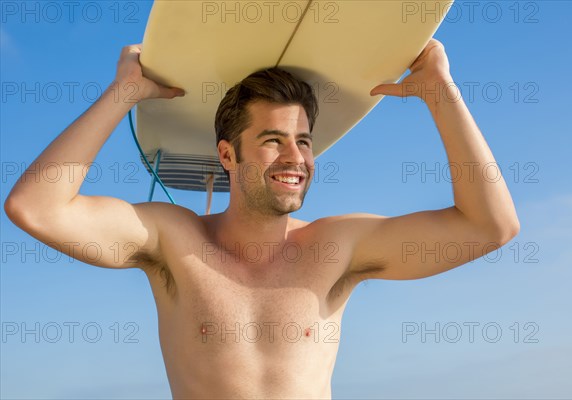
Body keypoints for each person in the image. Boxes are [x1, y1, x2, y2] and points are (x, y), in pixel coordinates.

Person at [4, 39, 519, 398]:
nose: (295, 158)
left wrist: (439, 93)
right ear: (228, 157)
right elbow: (35, 207)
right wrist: (124, 95)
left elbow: (490, 227)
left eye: (303, 141)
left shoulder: (337, 247)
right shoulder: (173, 239)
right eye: (272, 141)